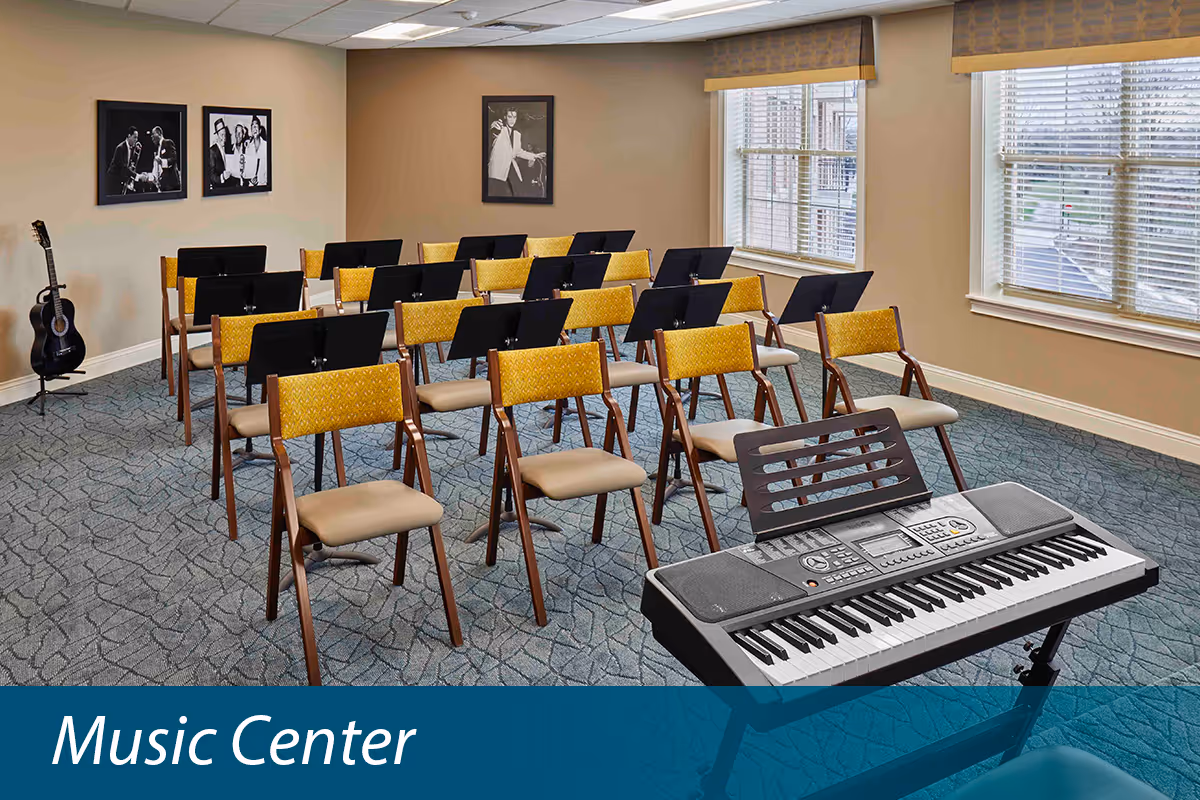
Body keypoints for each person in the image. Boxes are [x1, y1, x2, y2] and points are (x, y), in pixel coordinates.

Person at [488, 107, 545, 198]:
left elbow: (519, 152)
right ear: (505, 117)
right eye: (510, 116)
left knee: (518, 193)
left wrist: (535, 156)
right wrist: (494, 129)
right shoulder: (499, 128)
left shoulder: (517, 134)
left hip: (511, 168)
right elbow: (492, 136)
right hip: (497, 170)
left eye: (514, 117)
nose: (512, 119)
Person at [106, 126, 140, 196]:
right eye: (134, 137)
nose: (136, 140)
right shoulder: (120, 148)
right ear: (129, 136)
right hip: (113, 181)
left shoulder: (132, 148)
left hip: (121, 180)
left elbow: (129, 163)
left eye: (137, 137)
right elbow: (123, 167)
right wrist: (136, 175)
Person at [149, 125, 180, 192]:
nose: (151, 137)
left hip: (171, 185)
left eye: (153, 134)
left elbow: (173, 158)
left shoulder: (168, 142)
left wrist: (162, 162)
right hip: (163, 186)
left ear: (159, 133)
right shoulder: (157, 150)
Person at [243, 115, 268, 187]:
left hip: (264, 185)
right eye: (252, 126)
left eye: (256, 125)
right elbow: (247, 169)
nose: (254, 128)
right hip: (251, 186)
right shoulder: (248, 147)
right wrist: (250, 179)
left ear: (260, 130)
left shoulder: (266, 146)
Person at [208, 119, 231, 189]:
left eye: (225, 134)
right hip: (218, 190)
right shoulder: (212, 151)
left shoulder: (228, 149)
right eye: (221, 135)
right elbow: (211, 176)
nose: (224, 138)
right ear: (217, 135)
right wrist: (222, 177)